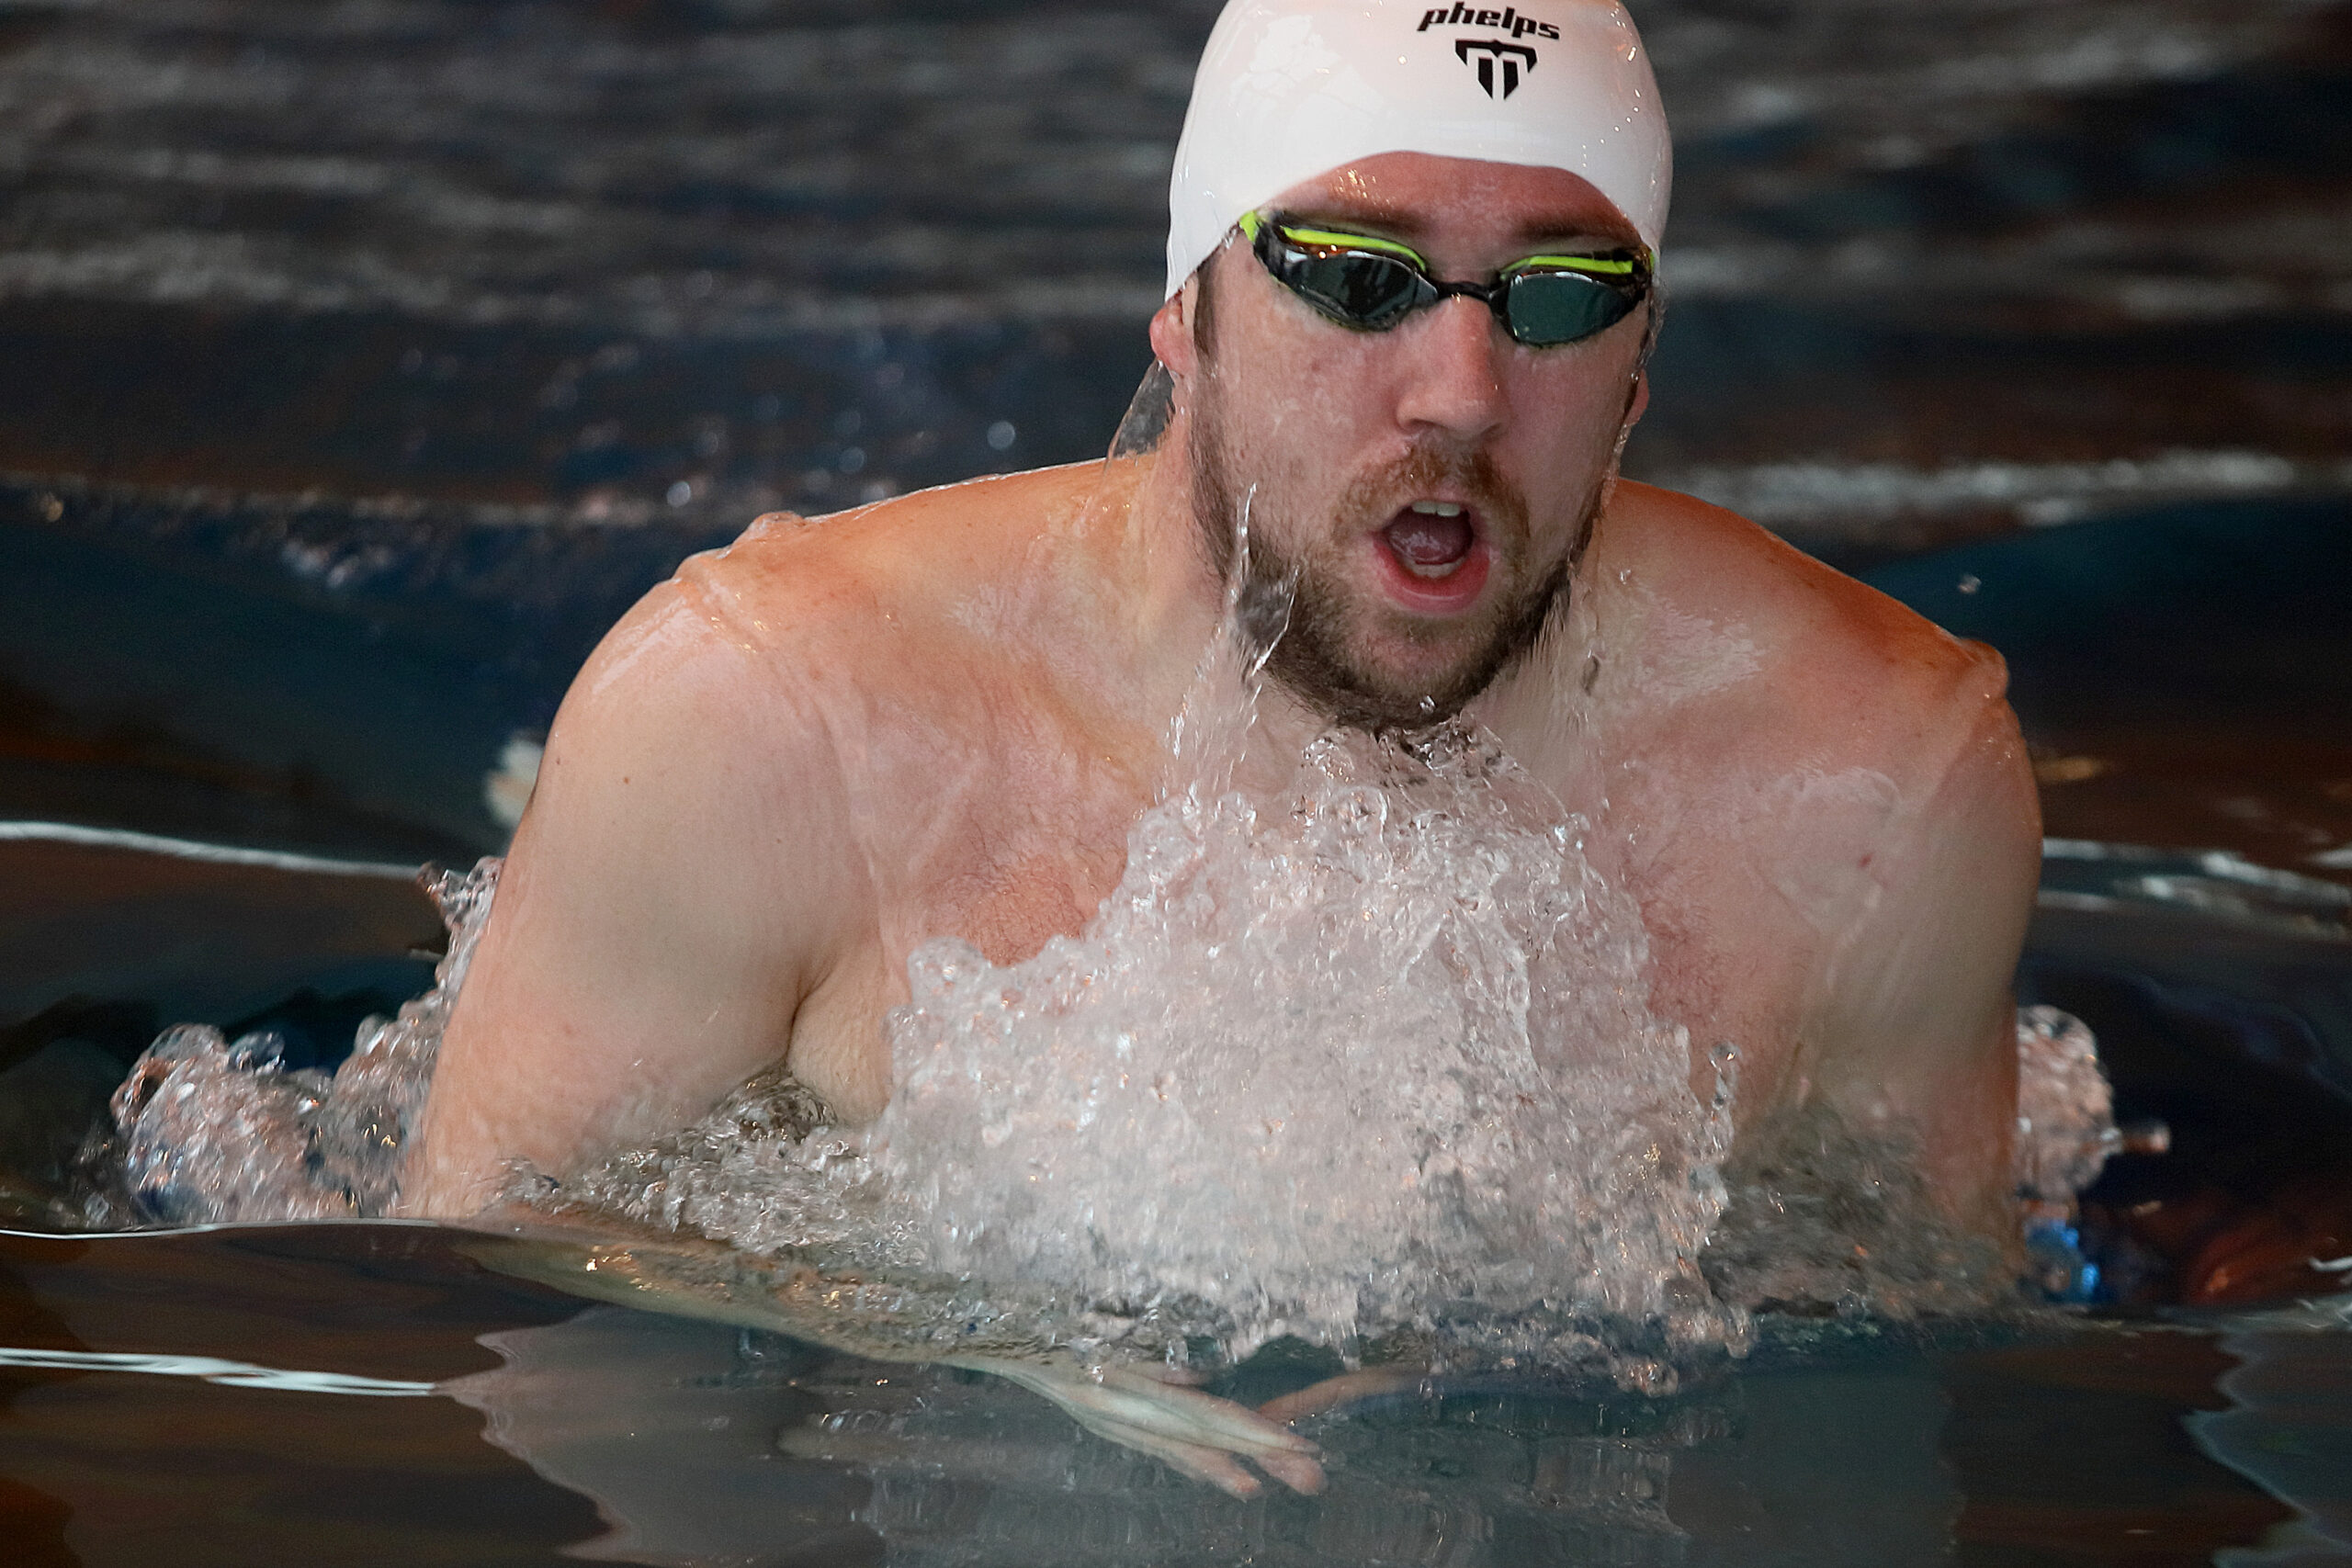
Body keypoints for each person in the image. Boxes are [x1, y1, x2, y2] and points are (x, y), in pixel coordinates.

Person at [405, 0, 2041, 1484]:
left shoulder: (1876, 787)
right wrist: (960, 1344)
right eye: (1357, 275)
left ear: (1637, 373)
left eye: (1559, 295)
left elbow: (1895, 1358)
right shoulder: (762, 720)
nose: (1462, 392)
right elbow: (500, 1271)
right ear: (1188, 312)